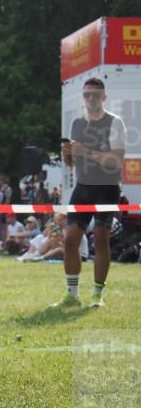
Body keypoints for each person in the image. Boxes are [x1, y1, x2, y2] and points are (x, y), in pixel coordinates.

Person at [53, 77, 126, 308]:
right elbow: (73, 161)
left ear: (104, 97)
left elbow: (116, 161)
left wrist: (87, 152)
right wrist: (67, 152)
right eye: (87, 95)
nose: (90, 98)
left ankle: (97, 294)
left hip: (107, 188)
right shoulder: (76, 124)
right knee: (70, 240)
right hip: (82, 188)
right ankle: (72, 295)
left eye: (95, 94)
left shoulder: (115, 123)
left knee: (101, 239)